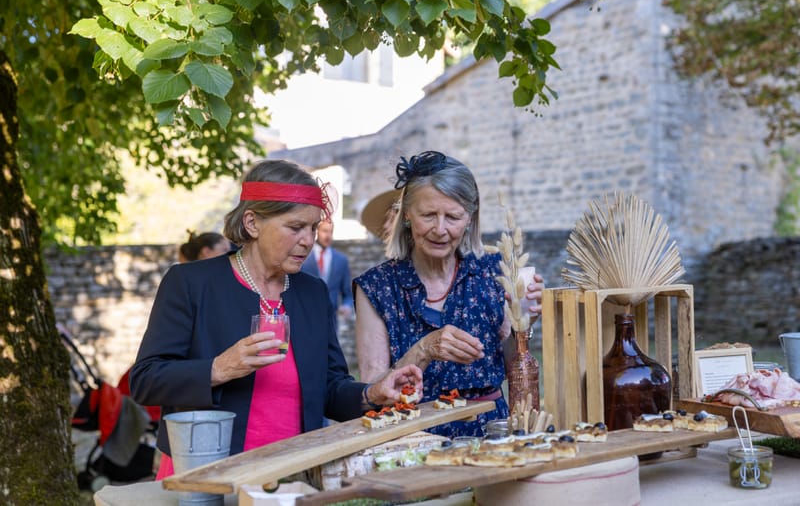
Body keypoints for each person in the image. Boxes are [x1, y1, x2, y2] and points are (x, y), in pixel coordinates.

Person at [129, 159, 423, 479]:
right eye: (296, 227)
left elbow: (329, 388)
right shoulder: (191, 283)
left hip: (294, 473)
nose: (309, 240)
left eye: (313, 228)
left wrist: (372, 393)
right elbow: (145, 380)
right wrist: (218, 368)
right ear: (253, 223)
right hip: (206, 473)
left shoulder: (312, 292)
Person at [354, 151, 544, 438]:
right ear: (406, 214)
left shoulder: (494, 272)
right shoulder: (378, 286)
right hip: (413, 438)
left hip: (491, 434)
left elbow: (509, 363)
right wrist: (425, 348)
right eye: (428, 215)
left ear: (469, 217)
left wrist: (524, 321)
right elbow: (374, 389)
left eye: (453, 217)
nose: (440, 230)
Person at [300, 219, 354, 318]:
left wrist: (347, 306)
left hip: (331, 319)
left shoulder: (341, 260)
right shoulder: (303, 257)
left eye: (331, 232)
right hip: (306, 316)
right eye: (324, 231)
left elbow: (348, 294)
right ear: (316, 232)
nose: (328, 235)